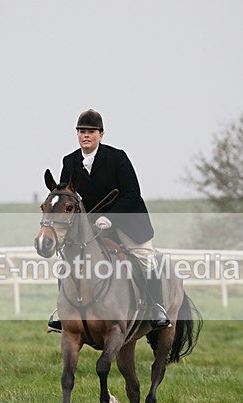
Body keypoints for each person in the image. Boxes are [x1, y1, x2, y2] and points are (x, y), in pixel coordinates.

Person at [47, 109, 171, 332]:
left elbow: (132, 195)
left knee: (145, 258)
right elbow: (67, 198)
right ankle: (63, 312)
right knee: (68, 262)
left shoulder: (117, 157)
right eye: (81, 131)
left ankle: (156, 308)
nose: (85, 135)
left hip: (127, 222)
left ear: (101, 134)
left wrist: (110, 218)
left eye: (91, 131)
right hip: (90, 225)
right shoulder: (70, 161)